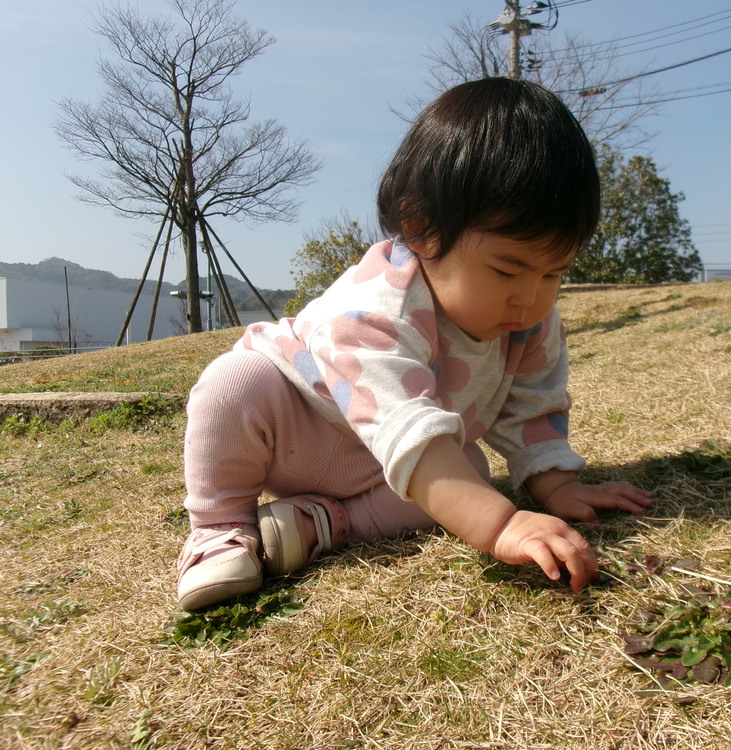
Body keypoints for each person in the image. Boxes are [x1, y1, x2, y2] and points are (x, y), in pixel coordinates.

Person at [175, 77, 652, 611]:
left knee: (468, 472)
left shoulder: (530, 324)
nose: (530, 299)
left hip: (393, 464)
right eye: (506, 270)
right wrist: (501, 526)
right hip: (298, 428)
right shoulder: (377, 309)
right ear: (422, 227)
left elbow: (533, 407)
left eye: (553, 273)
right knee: (235, 382)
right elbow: (406, 430)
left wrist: (558, 486)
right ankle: (219, 529)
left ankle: (327, 523)